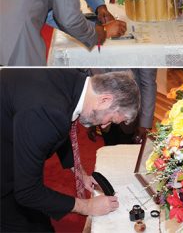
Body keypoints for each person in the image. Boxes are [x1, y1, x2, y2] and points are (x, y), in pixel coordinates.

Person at [0, 69, 141, 232]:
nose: (104, 126)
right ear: (104, 100)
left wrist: (79, 172)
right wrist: (87, 206)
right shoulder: (46, 112)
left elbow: (61, 123)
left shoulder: (74, 81)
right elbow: (27, 191)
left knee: (38, 222)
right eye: (110, 119)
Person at [87, 68, 158, 145]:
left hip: (130, 117)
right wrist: (90, 115)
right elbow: (90, 78)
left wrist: (145, 124)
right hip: (103, 115)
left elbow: (148, 84)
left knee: (130, 154)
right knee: (109, 151)